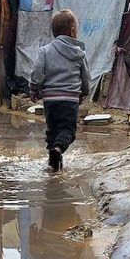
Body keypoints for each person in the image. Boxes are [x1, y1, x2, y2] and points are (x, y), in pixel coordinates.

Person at [29, 9, 90, 172]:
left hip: (50, 100)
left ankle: (53, 163)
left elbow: (37, 73)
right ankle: (57, 151)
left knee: (53, 131)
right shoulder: (79, 54)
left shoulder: (45, 51)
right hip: (69, 100)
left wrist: (34, 89)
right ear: (72, 31)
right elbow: (86, 78)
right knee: (67, 130)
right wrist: (84, 92)